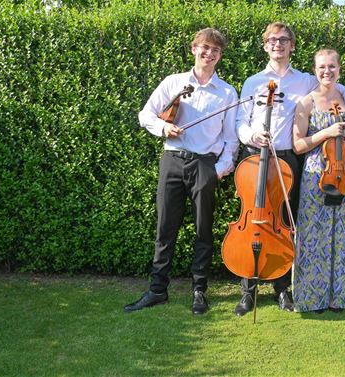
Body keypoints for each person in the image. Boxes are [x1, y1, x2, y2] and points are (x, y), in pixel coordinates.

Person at [124, 28, 239, 315]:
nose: (208, 53)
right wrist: (164, 127)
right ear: (193, 49)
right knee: (165, 227)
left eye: (214, 50)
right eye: (204, 47)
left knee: (203, 229)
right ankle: (157, 289)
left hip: (204, 164)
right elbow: (145, 115)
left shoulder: (227, 92)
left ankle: (199, 291)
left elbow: (231, 138)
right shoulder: (173, 82)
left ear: (220, 56)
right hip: (173, 160)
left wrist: (220, 170)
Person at [233, 22, 322, 317]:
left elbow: (333, 92)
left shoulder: (307, 82)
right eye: (272, 40)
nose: (278, 44)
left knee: (284, 223)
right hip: (256, 157)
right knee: (254, 221)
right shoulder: (253, 82)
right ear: (265, 45)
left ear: (292, 45)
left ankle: (283, 288)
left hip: (288, 160)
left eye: (283, 40)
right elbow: (239, 122)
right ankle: (248, 290)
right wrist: (252, 136)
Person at [291, 49, 345, 313]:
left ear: (339, 69)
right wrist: (326, 133)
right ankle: (312, 298)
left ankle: (339, 296)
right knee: (313, 232)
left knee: (343, 232)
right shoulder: (305, 103)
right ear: (315, 70)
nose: (327, 71)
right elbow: (298, 145)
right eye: (321, 67)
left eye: (332, 66)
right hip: (316, 172)